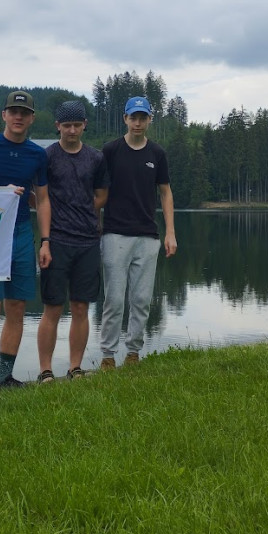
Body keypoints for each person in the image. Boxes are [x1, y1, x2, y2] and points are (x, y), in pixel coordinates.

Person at [0, 90, 51, 392]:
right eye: (13, 112)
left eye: (24, 113)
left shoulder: (37, 155)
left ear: (31, 119)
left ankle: (5, 377)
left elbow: (43, 200)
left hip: (21, 233)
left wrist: (46, 240)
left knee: (16, 307)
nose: (18, 117)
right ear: (4, 115)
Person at [99, 95, 177, 369]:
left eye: (143, 118)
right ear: (125, 119)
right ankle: (108, 355)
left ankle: (133, 352)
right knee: (114, 300)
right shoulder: (110, 150)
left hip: (148, 236)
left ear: (150, 120)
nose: (138, 123)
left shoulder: (157, 153)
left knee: (142, 299)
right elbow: (99, 191)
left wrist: (170, 233)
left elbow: (165, 193)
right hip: (114, 234)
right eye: (133, 117)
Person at [35, 100, 108, 382]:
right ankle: (45, 370)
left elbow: (102, 196)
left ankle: (75, 367)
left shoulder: (96, 158)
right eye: (67, 125)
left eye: (77, 125)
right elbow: (38, 196)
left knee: (81, 307)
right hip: (56, 240)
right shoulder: (47, 157)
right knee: (52, 307)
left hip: (88, 241)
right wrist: (48, 234)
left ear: (84, 125)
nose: (72, 130)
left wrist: (81, 210)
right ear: (58, 126)